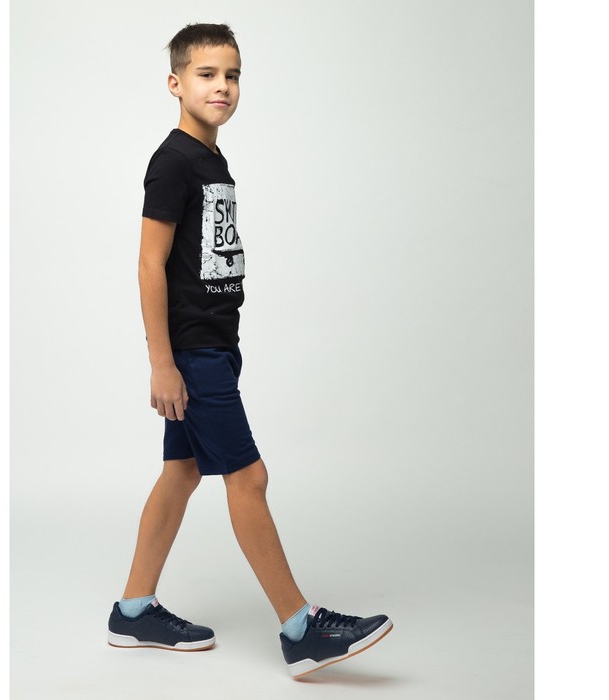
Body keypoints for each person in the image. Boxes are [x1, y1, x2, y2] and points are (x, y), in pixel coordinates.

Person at [107, 22, 393, 679]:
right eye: (207, 74)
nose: (223, 87)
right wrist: (162, 362)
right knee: (249, 476)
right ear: (175, 83)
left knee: (182, 472)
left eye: (232, 75)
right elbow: (149, 264)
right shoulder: (173, 161)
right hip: (193, 351)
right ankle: (301, 628)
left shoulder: (212, 161)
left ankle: (133, 610)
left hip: (216, 345)